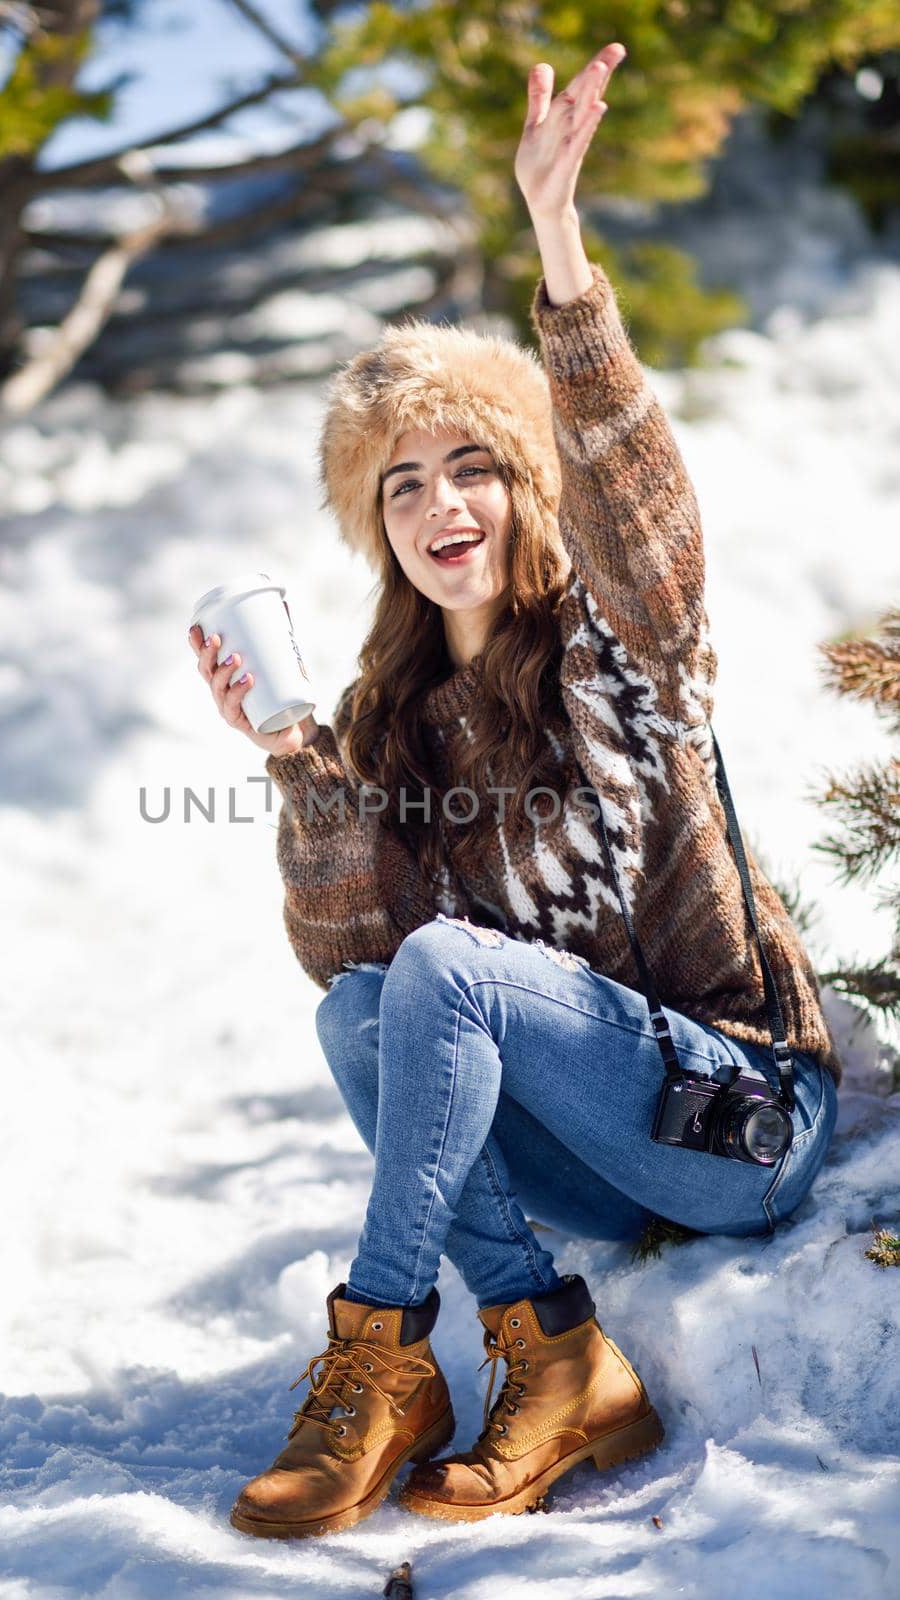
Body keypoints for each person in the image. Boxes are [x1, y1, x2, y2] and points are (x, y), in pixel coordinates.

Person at [189, 41, 841, 1539]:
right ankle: (555, 1357)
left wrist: (560, 251)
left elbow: (640, 496)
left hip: (737, 1117)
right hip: (596, 1154)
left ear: (523, 485)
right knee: (362, 1005)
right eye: (400, 486)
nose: (440, 504)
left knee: (443, 973)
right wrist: (305, 768)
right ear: (379, 530)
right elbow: (379, 994)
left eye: (469, 464)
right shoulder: (394, 717)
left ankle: (385, 1349)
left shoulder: (629, 646)